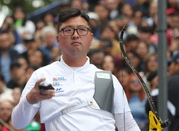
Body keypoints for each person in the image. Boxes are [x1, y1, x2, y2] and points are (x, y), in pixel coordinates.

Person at [12, 8, 140, 131]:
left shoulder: (106, 79)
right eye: (68, 30)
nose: (75, 35)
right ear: (58, 39)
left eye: (81, 30)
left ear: (91, 39)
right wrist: (29, 100)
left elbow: (127, 125)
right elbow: (18, 124)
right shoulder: (43, 76)